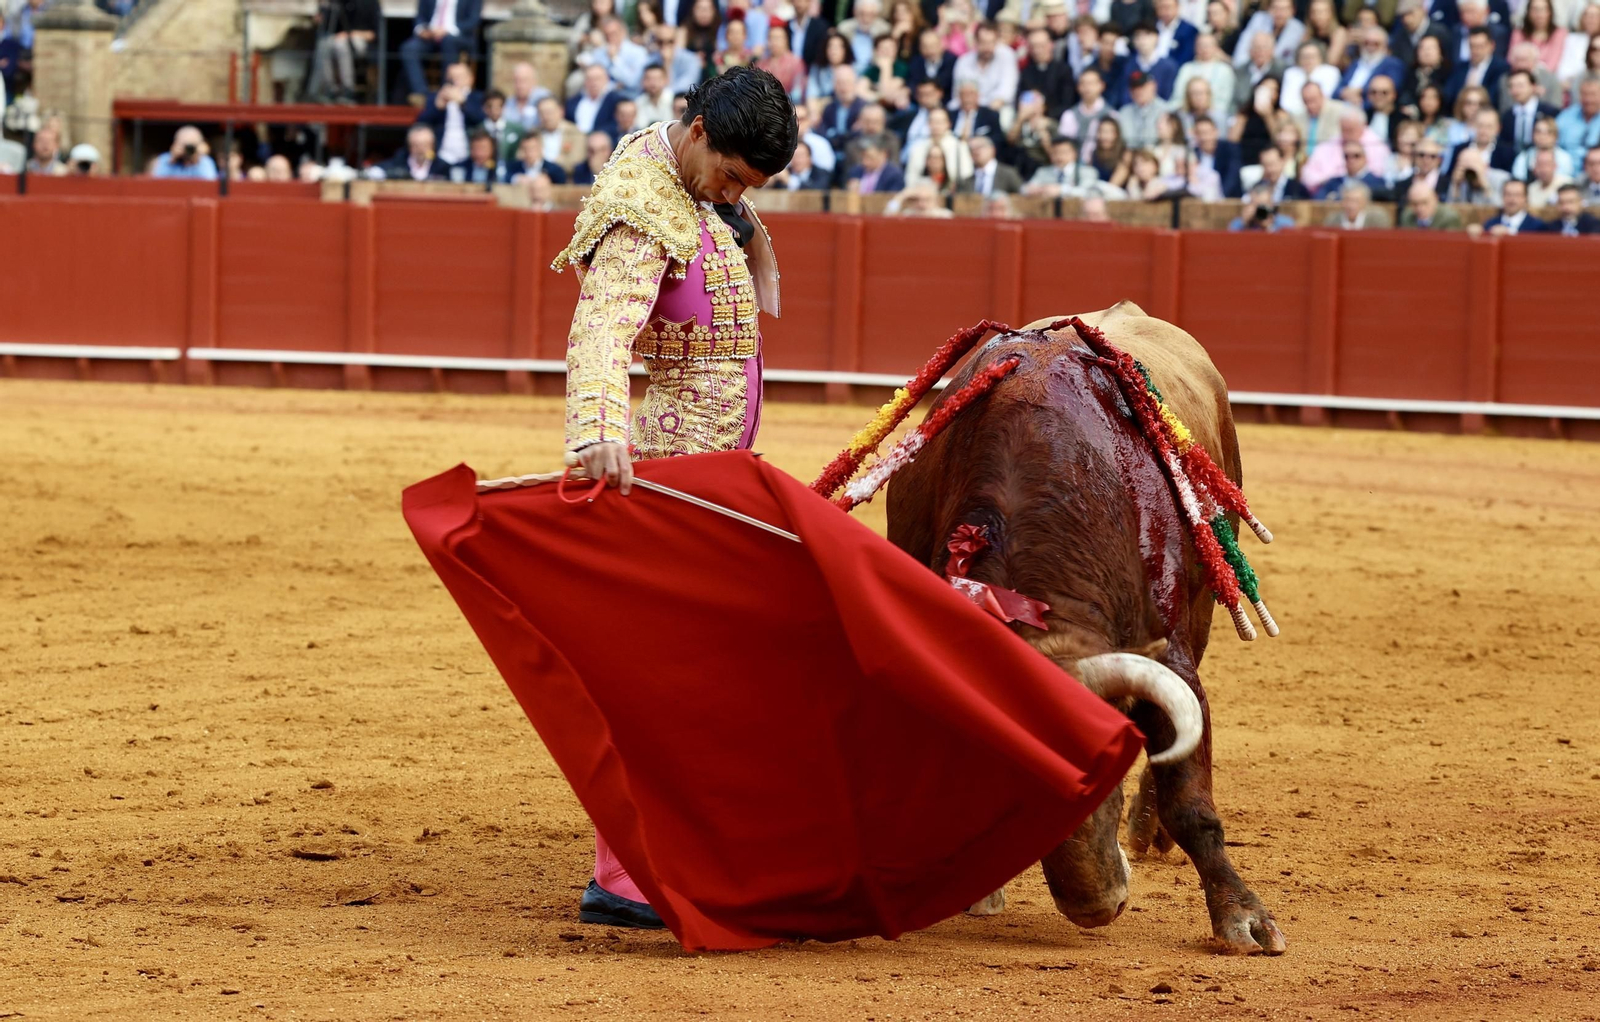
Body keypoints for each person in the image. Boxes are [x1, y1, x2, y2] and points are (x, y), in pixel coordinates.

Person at [552, 66, 796, 927]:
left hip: (714, 468)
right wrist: (597, 429)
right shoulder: (641, 204)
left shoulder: (689, 185)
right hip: (669, 473)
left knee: (704, 668)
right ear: (695, 131)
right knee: (664, 674)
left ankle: (669, 855)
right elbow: (603, 326)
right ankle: (624, 878)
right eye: (731, 175)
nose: (735, 195)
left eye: (748, 187)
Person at [400, 0, 483, 104]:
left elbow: (473, 21)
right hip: (431, 37)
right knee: (409, 48)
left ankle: (446, 90)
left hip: (459, 37)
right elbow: (420, 17)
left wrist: (447, 30)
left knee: (448, 41)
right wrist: (422, 30)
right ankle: (421, 93)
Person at [308, 0, 381, 103]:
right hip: (341, 38)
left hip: (363, 40)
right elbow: (330, 26)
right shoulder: (342, 3)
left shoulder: (370, 3)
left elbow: (374, 34)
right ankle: (329, 88)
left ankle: (348, 89)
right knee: (324, 43)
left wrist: (350, 34)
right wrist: (323, 10)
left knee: (341, 44)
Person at [417, 58, 485, 166]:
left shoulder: (478, 98)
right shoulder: (436, 97)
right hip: (440, 155)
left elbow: (482, 121)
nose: (455, 81)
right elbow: (420, 123)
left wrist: (463, 103)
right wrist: (437, 107)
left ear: (470, 79)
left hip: (469, 154)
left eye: (459, 77)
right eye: (451, 78)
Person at [952, 21, 1019, 109]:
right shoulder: (964, 61)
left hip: (997, 108)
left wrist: (985, 114)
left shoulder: (1007, 55)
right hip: (968, 107)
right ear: (976, 41)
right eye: (983, 42)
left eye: (991, 42)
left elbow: (1007, 91)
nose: (988, 47)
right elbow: (958, 92)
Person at [1024, 136, 1102, 194]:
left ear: (1074, 154)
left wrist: (1061, 190)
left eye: (1064, 152)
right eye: (1055, 152)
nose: (1059, 156)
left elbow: (1089, 192)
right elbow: (1024, 189)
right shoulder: (1043, 172)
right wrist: (1036, 190)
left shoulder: (1087, 171)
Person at [380, 123, 452, 179]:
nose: (420, 150)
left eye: (425, 145)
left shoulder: (442, 167)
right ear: (409, 146)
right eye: (416, 145)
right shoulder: (399, 163)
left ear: (432, 146)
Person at [567, 65, 622, 138]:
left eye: (597, 79)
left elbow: (616, 125)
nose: (593, 83)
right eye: (589, 79)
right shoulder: (573, 102)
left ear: (607, 79)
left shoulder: (615, 100)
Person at [957, 134, 1023, 194]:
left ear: (992, 149)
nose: (975, 151)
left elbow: (1022, 196)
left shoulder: (1008, 174)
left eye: (979, 147)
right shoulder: (967, 181)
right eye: (971, 149)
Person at [1477, 176, 1549, 230]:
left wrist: (1509, 234)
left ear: (1525, 198)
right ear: (1502, 196)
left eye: (1517, 195)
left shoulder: (1537, 226)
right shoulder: (1490, 224)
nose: (1512, 199)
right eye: (1508, 194)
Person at [757, 24, 806, 102]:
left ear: (785, 40)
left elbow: (798, 93)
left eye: (777, 38)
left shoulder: (796, 62)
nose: (773, 42)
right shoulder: (761, 64)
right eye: (770, 38)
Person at [1557, 75, 1600, 161]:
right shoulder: (1566, 116)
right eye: (1585, 94)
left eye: (1593, 94)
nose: (1588, 99)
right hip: (1567, 170)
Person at [151, 126, 219, 179]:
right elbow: (156, 183)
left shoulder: (205, 161)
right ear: (175, 143)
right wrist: (172, 160)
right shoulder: (165, 159)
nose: (187, 150)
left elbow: (209, 183)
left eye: (191, 146)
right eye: (184, 145)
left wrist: (197, 160)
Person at [1228, 181, 1297, 229]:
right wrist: (1244, 224)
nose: (1261, 209)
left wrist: (1269, 227)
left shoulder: (1286, 224)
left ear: (1272, 204)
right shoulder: (1239, 224)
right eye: (1257, 205)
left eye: (1264, 205)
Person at [1399, 178, 1466, 225]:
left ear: (1435, 200)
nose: (1419, 208)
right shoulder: (1407, 216)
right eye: (1415, 204)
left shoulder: (1450, 218)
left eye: (1424, 202)